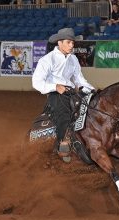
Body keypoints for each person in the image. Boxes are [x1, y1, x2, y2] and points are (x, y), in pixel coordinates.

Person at [32, 28, 95, 162]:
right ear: (59, 43)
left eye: (73, 43)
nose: (72, 45)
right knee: (64, 111)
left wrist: (92, 91)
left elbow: (79, 80)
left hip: (71, 92)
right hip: (55, 94)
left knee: (91, 106)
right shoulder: (47, 60)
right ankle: (62, 143)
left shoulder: (73, 59)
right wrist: (55, 86)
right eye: (69, 42)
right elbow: (36, 82)